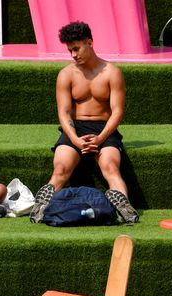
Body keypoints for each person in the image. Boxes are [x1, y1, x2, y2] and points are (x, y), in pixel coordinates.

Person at [29, 21, 139, 224]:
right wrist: (75, 140)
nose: (73, 55)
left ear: (90, 42)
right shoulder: (66, 74)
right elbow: (63, 112)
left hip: (104, 128)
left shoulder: (112, 73)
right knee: (61, 168)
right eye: (70, 50)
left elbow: (117, 112)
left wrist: (100, 138)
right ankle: (41, 207)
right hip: (75, 129)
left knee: (110, 168)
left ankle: (125, 207)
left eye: (77, 49)